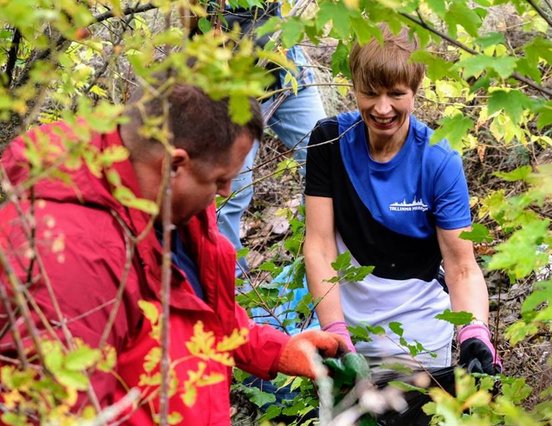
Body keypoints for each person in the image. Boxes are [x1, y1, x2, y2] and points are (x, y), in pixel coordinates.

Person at [0, 82, 347, 425]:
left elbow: (199, 312)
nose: (226, 191)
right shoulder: (74, 256)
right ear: (174, 164)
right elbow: (54, 412)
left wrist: (274, 349)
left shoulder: (171, 203)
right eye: (219, 180)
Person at [303, 25, 501, 399]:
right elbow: (319, 246)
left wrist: (475, 335)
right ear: (353, 87)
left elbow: (461, 266)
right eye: (369, 93)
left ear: (416, 88)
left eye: (396, 94)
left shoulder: (439, 159)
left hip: (419, 339)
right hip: (347, 329)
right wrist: (336, 332)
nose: (382, 108)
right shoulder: (329, 140)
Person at [195, 2, 327, 276]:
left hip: (287, 76)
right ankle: (232, 293)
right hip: (229, 87)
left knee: (327, 161)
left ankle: (315, 273)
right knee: (230, 195)